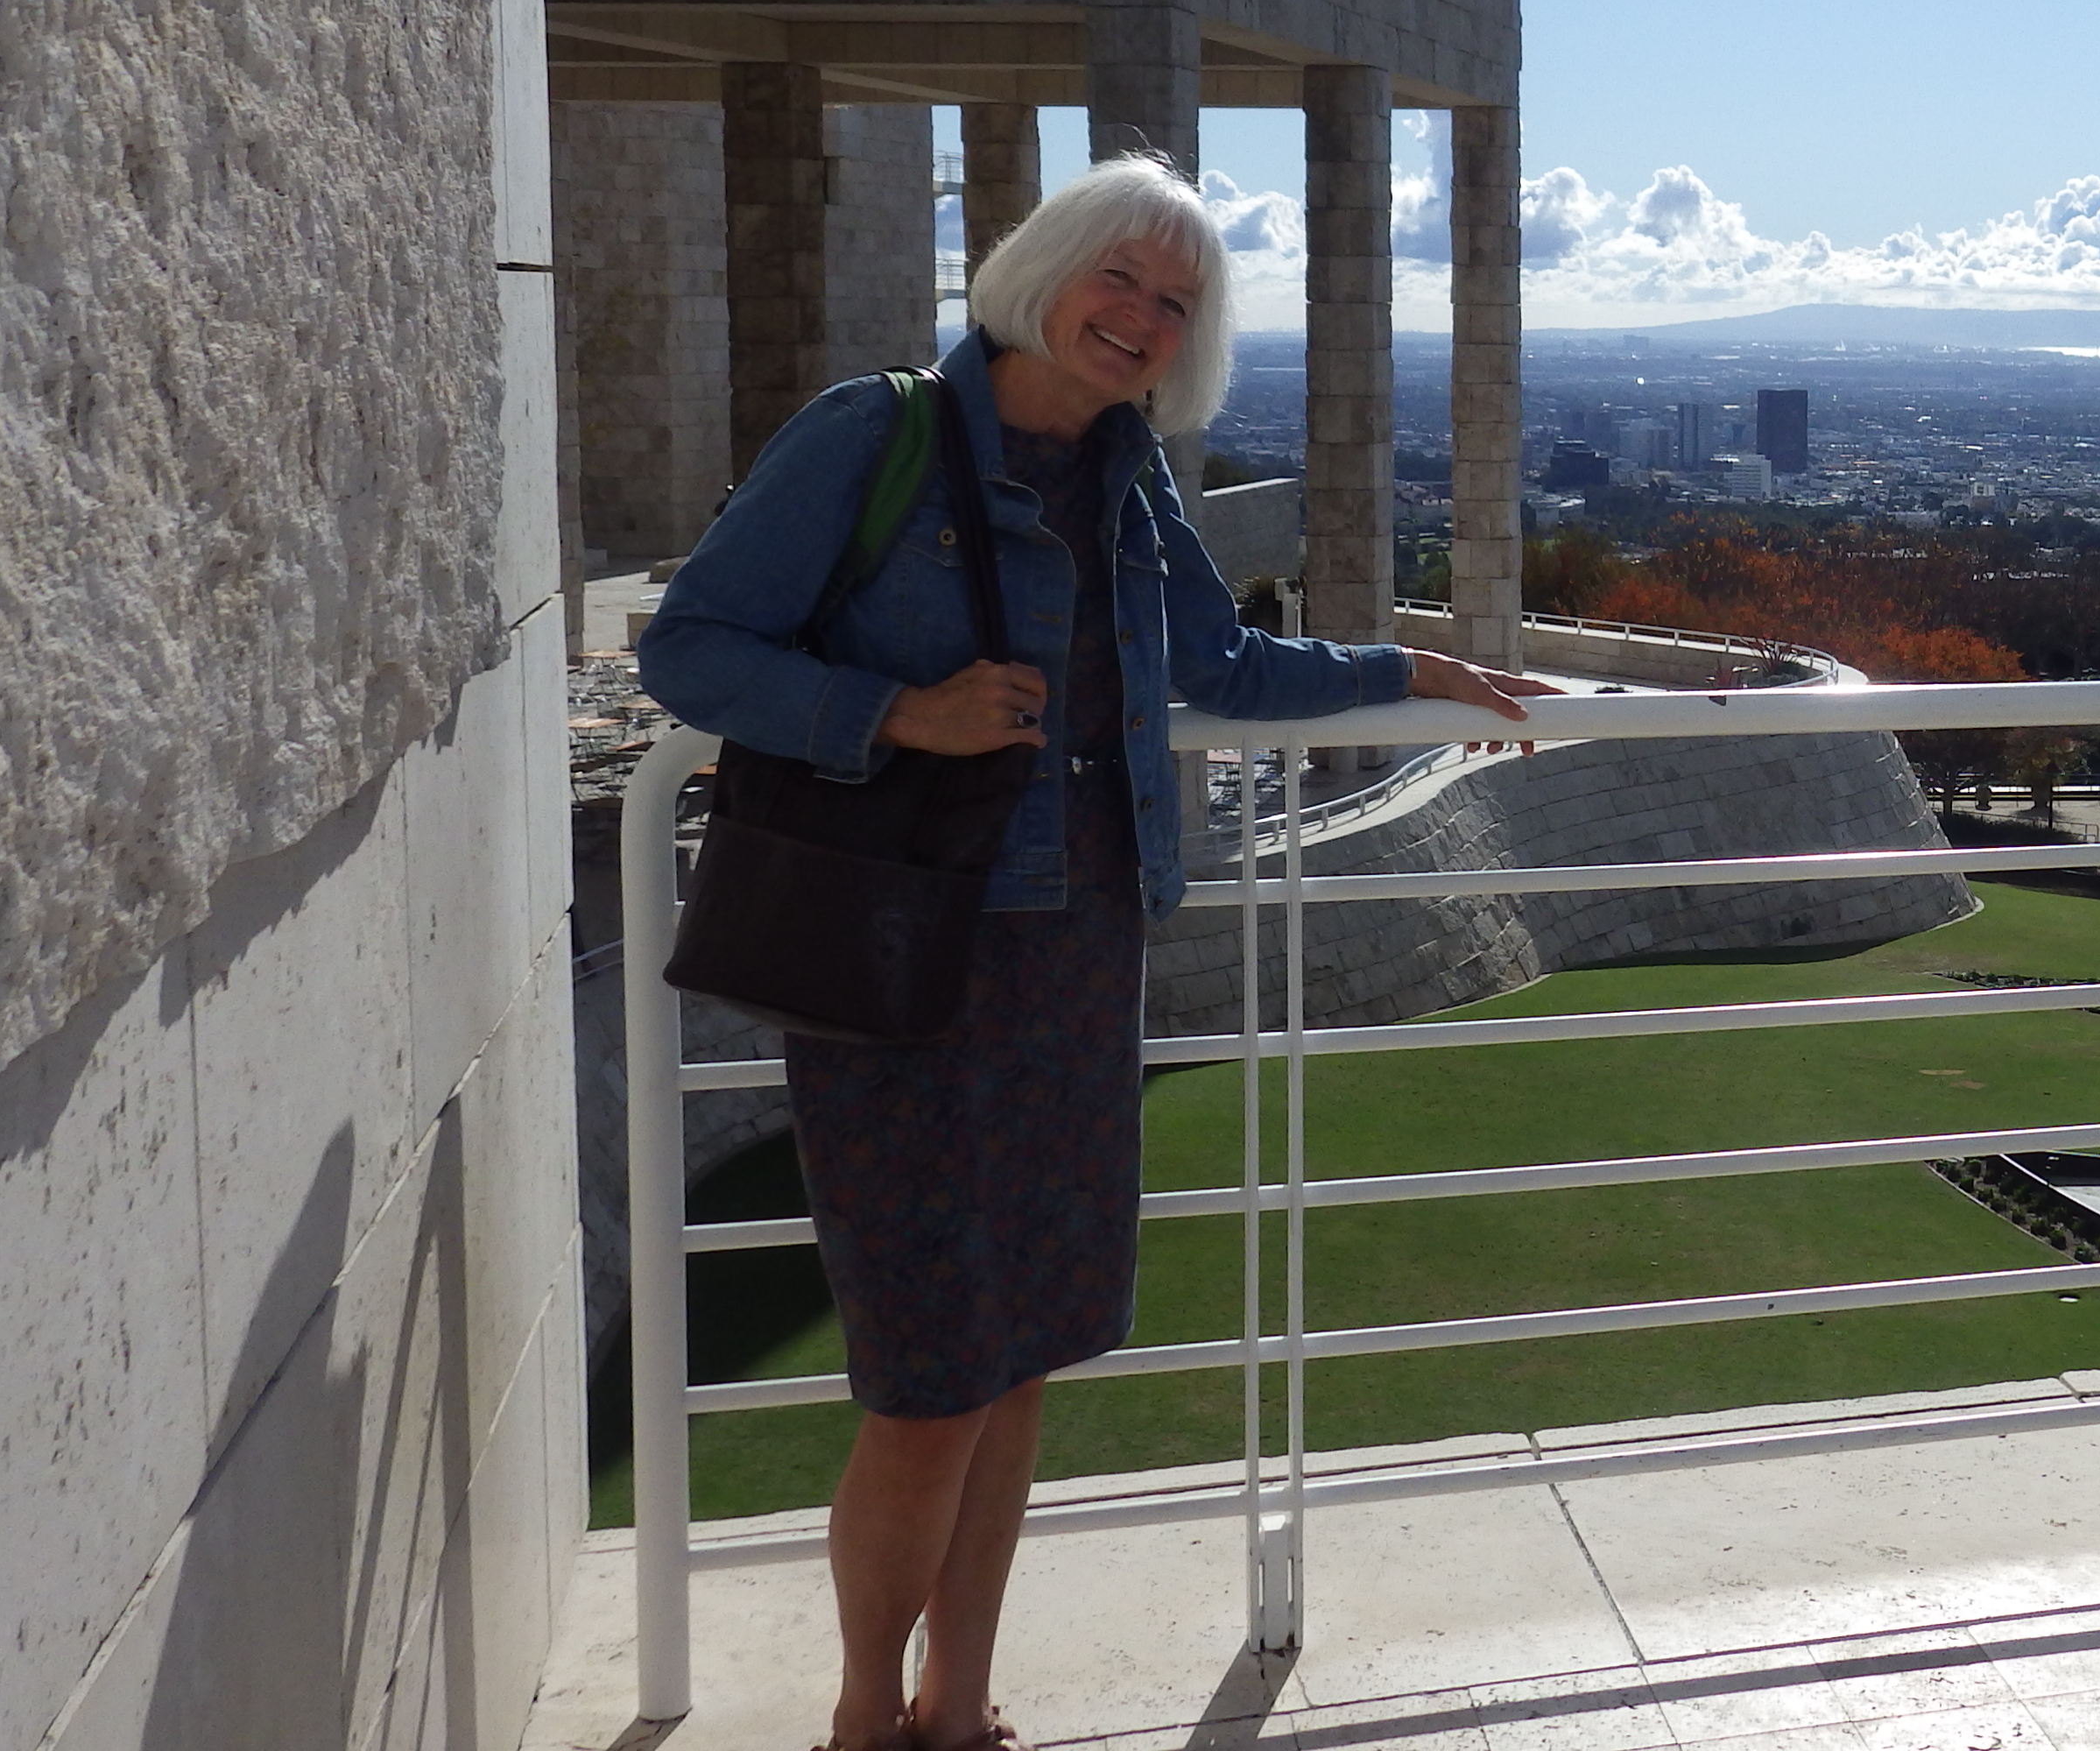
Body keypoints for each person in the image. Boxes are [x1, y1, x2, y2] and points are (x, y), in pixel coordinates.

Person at [638, 154, 1544, 1751]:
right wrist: (895, 712)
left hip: (1077, 960)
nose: (1138, 316)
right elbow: (694, 644)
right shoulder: (877, 434)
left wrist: (1416, 669)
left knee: (1026, 1361)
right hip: (905, 962)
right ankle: (866, 1717)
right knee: (928, 1384)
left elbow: (1224, 664)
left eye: (1176, 302)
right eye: (1118, 276)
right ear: (1045, 269)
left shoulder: (1127, 477)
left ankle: (962, 1704)